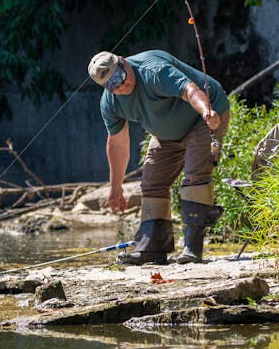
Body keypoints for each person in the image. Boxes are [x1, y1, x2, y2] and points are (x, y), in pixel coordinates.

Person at [89, 50, 230, 264]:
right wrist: (115, 186)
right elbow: (118, 143)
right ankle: (152, 248)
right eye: (111, 85)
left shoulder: (153, 71)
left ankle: (192, 248)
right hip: (167, 135)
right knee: (152, 182)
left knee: (195, 174)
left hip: (203, 117)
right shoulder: (111, 103)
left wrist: (206, 112)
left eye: (119, 77)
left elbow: (190, 90)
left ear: (123, 62)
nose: (119, 86)